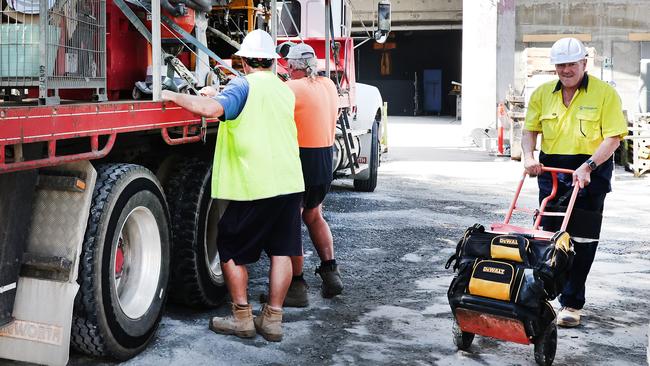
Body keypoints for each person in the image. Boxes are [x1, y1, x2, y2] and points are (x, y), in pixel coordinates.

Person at [161, 29, 304, 342]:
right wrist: (218, 94)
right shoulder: (284, 89)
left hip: (256, 183)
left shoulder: (243, 84)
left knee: (229, 247)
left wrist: (172, 96)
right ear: (271, 62)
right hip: (290, 181)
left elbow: (214, 111)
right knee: (282, 251)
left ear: (244, 61)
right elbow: (248, 107)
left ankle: (242, 316)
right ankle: (273, 320)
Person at [522, 37, 628, 328]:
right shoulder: (542, 94)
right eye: (561, 65)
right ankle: (545, 295)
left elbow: (613, 138)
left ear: (584, 63)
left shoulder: (605, 94)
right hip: (553, 174)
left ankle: (571, 303)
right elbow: (530, 130)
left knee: (582, 241)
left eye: (571, 63)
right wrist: (528, 156)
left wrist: (589, 165)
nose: (566, 70)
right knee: (549, 240)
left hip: (590, 173)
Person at [282, 43, 343, 306]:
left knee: (291, 222)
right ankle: (331, 273)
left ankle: (296, 286)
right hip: (324, 160)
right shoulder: (329, 85)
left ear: (291, 67)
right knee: (314, 215)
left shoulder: (290, 89)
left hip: (301, 160)